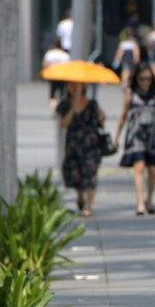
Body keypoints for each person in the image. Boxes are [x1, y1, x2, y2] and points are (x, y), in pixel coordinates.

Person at [115, 63, 155, 216]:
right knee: (139, 167)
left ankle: (150, 199)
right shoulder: (131, 93)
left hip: (153, 136)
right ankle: (140, 203)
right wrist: (116, 137)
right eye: (142, 79)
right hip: (136, 135)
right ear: (136, 79)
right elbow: (123, 116)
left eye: (148, 78)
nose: (145, 82)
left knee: (153, 170)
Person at [57, 82, 107, 217]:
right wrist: (73, 107)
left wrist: (99, 115)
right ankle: (80, 196)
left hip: (91, 144)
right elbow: (63, 124)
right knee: (75, 173)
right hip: (74, 144)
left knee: (90, 173)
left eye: (79, 85)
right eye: (72, 85)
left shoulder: (91, 103)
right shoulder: (65, 105)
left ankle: (89, 206)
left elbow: (102, 118)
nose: (76, 87)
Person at [42, 37, 71, 111]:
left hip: (52, 76)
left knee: (52, 96)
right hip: (62, 76)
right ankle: (60, 107)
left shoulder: (49, 54)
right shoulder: (65, 55)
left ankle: (55, 107)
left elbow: (45, 64)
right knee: (62, 94)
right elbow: (68, 67)